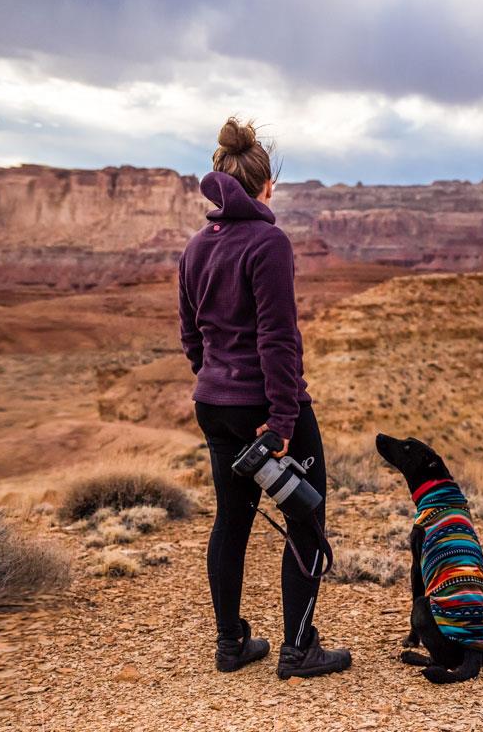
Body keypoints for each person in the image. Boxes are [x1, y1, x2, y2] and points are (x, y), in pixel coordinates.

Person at [178, 117, 352, 679]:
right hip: (266, 410)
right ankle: (298, 650)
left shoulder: (196, 247)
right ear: (265, 186)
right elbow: (277, 339)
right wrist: (280, 420)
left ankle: (231, 645)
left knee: (232, 520)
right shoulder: (269, 243)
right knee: (307, 515)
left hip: (215, 405)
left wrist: (215, 382)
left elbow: (190, 333)